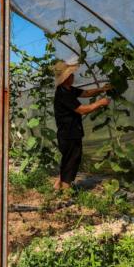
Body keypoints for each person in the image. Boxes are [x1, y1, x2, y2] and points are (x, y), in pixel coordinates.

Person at [52, 60, 112, 191]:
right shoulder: (63, 94)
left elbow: (85, 93)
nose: (73, 76)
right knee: (72, 160)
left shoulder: (68, 89)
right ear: (67, 77)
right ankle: (66, 189)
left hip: (70, 131)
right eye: (71, 74)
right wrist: (100, 103)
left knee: (67, 160)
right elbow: (81, 109)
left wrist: (101, 89)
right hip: (68, 133)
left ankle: (57, 186)